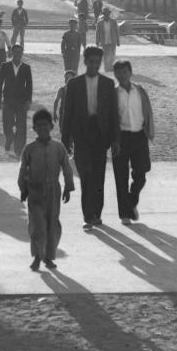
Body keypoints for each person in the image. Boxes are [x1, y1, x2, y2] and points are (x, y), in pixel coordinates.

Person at [59, 46, 119, 230]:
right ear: (84, 62)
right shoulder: (75, 84)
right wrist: (65, 139)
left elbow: (113, 115)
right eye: (90, 62)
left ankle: (97, 214)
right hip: (81, 135)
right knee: (86, 176)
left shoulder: (108, 84)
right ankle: (87, 215)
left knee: (98, 177)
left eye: (97, 62)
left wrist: (115, 139)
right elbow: (67, 113)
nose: (93, 65)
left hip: (100, 135)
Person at [18, 109, 75, 271]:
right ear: (34, 128)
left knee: (52, 224)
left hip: (53, 192)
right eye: (38, 126)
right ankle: (37, 256)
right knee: (37, 226)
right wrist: (23, 187)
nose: (42, 128)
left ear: (51, 126)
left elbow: (66, 167)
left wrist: (68, 187)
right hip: (34, 191)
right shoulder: (29, 149)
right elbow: (23, 168)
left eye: (45, 125)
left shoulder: (58, 148)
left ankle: (49, 257)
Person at [111, 60, 154, 226]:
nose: (122, 75)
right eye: (118, 72)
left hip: (139, 137)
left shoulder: (140, 91)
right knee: (121, 177)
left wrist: (149, 131)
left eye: (125, 72)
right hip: (120, 139)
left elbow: (147, 111)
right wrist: (113, 140)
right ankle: (125, 214)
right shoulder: (113, 93)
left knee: (141, 174)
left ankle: (130, 201)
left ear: (130, 72)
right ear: (115, 74)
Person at [0, 43, 33, 157]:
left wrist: (28, 101)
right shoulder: (5, 66)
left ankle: (19, 149)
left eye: (19, 52)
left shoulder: (26, 68)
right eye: (15, 51)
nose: (17, 54)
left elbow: (29, 85)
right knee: (7, 124)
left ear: (22, 53)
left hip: (21, 101)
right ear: (11, 53)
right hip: (7, 100)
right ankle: (9, 137)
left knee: (21, 126)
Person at [95, 7, 120, 71]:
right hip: (104, 41)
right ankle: (106, 67)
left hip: (112, 40)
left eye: (107, 13)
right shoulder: (99, 23)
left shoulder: (113, 21)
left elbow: (117, 31)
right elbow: (97, 33)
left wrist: (118, 41)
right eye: (105, 13)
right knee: (105, 54)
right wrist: (97, 41)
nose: (106, 15)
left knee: (112, 54)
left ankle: (111, 67)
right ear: (103, 14)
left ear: (109, 14)